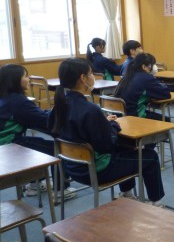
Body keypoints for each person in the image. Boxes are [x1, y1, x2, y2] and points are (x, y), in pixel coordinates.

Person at [49, 58, 165, 205]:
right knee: (151, 157)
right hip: (97, 170)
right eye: (91, 73)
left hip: (71, 167)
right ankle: (156, 204)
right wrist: (113, 126)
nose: (93, 77)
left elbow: (55, 130)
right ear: (83, 78)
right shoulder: (90, 110)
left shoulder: (59, 106)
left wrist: (103, 123)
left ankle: (127, 194)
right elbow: (108, 146)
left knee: (128, 149)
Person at [0, 64, 76, 199]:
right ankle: (60, 190)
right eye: (25, 76)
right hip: (9, 145)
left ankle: (35, 185)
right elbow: (42, 120)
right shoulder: (18, 101)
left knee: (37, 143)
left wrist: (47, 113)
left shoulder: (6, 97)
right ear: (14, 80)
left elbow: (34, 115)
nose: (28, 79)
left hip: (5, 143)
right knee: (57, 149)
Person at [114, 53, 171, 119]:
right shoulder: (146, 78)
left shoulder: (126, 76)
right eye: (152, 64)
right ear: (144, 67)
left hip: (121, 117)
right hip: (135, 117)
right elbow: (166, 94)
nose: (154, 67)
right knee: (167, 120)